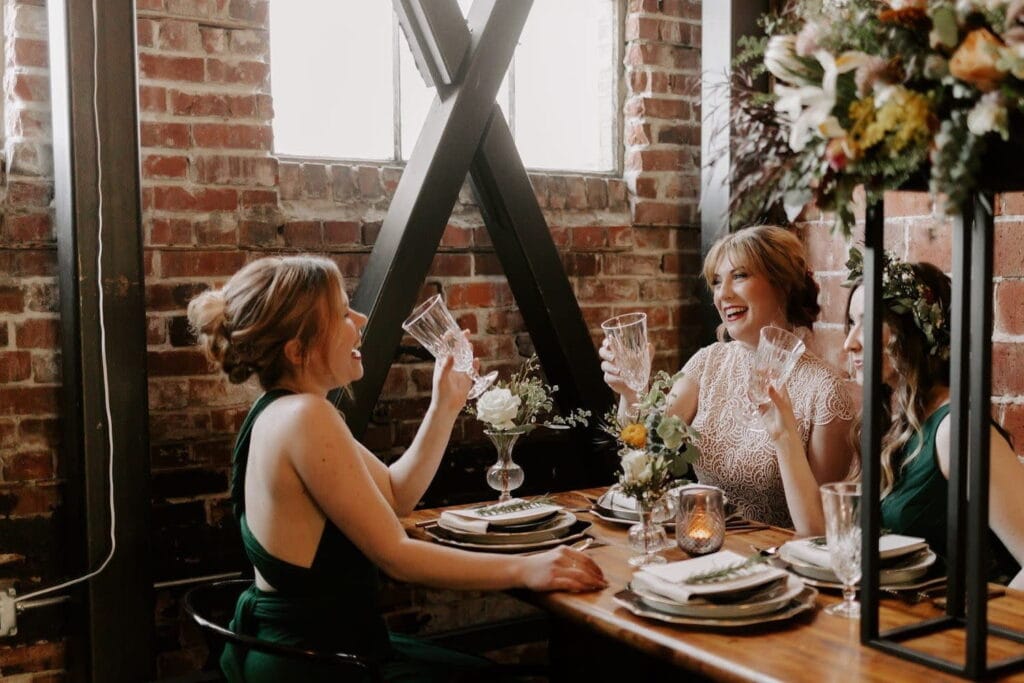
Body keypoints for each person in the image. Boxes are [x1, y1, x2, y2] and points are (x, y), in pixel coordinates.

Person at [187, 255, 606, 683]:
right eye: (340, 312)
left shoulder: (280, 410)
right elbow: (397, 557)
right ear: (298, 350)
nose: (361, 317)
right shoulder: (306, 417)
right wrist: (527, 568)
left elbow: (394, 495)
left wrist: (443, 407)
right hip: (320, 663)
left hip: (318, 648)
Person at [764, 250, 1024, 587]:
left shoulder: (957, 432)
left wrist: (984, 628)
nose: (849, 343)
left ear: (915, 332)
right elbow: (818, 534)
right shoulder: (892, 423)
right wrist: (783, 432)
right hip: (893, 621)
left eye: (867, 324)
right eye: (851, 324)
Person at [600, 225, 856, 534]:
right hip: (702, 544)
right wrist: (629, 392)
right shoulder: (708, 362)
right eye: (717, 282)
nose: (723, 294)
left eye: (740, 276)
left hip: (776, 562)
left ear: (782, 284)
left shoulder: (825, 389)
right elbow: (645, 452)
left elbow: (823, 533)